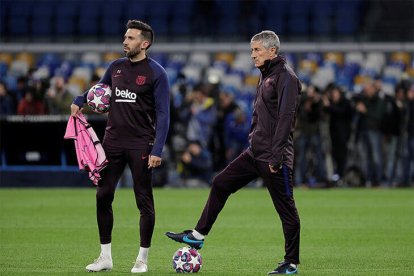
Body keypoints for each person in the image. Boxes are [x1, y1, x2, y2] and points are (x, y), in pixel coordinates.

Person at [166, 31, 302, 275]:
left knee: (286, 210)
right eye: (251, 50)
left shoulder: (286, 78)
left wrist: (277, 155)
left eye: (257, 50)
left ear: (272, 51)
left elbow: (286, 118)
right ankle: (197, 236)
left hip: (275, 156)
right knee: (220, 182)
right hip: (255, 152)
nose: (252, 55)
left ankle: (291, 263)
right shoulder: (266, 76)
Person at [70, 20, 170, 273]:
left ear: (144, 43)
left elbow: (164, 114)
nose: (125, 41)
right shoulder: (115, 67)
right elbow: (98, 89)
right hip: (112, 142)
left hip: (141, 145)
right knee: (103, 196)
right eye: (125, 37)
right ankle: (105, 257)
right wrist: (80, 99)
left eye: (131, 38)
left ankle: (142, 259)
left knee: (143, 200)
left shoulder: (157, 73)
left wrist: (157, 149)